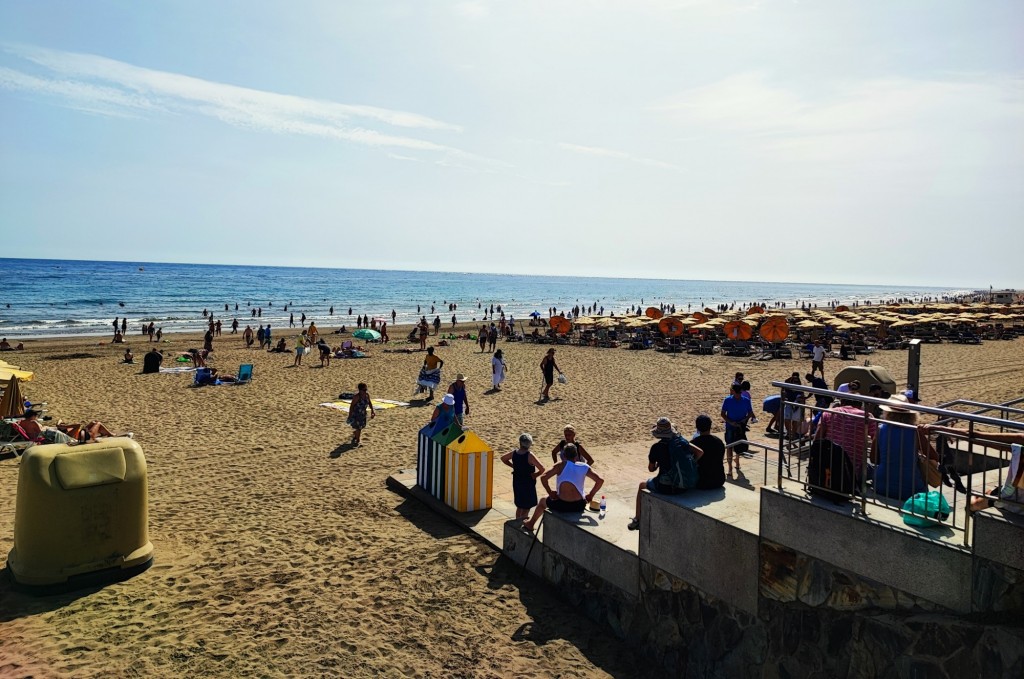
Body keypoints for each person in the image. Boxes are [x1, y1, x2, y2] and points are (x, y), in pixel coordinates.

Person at [628, 418, 705, 530]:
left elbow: (651, 469)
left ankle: (637, 519)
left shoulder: (656, 448)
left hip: (665, 487)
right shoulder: (681, 442)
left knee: (641, 485)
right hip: (684, 486)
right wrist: (690, 464)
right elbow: (700, 452)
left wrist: (658, 464)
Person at [522, 443, 604, 533]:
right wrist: (591, 495)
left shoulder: (560, 465)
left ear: (563, 455)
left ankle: (530, 524)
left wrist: (550, 493)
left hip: (562, 504)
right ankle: (531, 523)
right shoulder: (584, 466)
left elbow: (543, 477)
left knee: (542, 501)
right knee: (581, 492)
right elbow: (600, 480)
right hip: (579, 505)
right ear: (576, 455)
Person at [870, 394, 929, 501]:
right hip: (912, 489)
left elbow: (873, 458)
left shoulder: (881, 429)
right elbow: (933, 455)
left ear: (887, 412)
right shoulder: (915, 431)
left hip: (882, 486)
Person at [814, 392, 877, 479]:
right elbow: (876, 437)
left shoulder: (828, 412)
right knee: (876, 470)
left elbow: (817, 439)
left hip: (828, 467)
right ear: (860, 404)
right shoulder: (866, 416)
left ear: (841, 402)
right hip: (852, 472)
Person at [501, 433, 546, 521]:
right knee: (526, 507)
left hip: (517, 482)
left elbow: (503, 458)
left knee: (519, 505)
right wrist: (535, 475)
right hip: (527, 483)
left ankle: (517, 522)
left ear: (520, 443)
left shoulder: (514, 453)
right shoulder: (529, 455)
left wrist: (513, 466)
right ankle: (522, 523)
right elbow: (542, 468)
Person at [692, 415, 727, 484]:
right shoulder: (719, 441)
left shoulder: (694, 443)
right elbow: (721, 459)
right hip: (719, 480)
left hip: (701, 481)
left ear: (697, 428)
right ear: (710, 426)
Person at [721, 383, 754, 453]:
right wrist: (731, 422)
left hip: (741, 427)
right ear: (733, 391)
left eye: (740, 393)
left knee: (739, 447)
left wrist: (744, 420)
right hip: (730, 426)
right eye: (737, 393)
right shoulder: (727, 400)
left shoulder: (746, 400)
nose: (738, 395)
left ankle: (737, 463)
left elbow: (750, 413)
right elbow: (723, 414)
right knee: (729, 446)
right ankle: (729, 463)